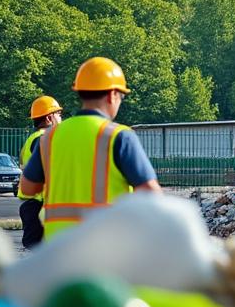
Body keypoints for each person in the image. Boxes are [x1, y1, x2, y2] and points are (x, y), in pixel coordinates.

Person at [19, 57, 161, 239]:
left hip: (57, 247)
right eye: (121, 96)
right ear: (112, 95)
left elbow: (28, 188)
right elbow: (151, 194)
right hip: (105, 246)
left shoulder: (49, 137)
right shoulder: (119, 136)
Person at [16, 95, 63, 248]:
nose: (61, 118)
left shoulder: (33, 138)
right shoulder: (44, 139)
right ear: (49, 118)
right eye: (59, 114)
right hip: (39, 205)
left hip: (32, 204)